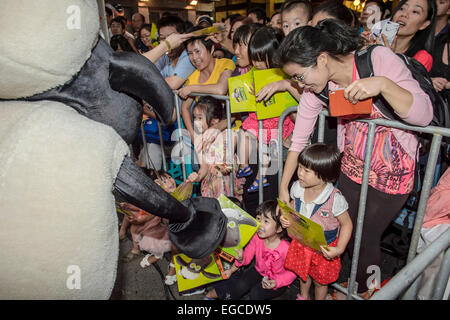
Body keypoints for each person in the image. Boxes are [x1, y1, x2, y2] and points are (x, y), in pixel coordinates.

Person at [277, 19, 433, 297]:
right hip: (351, 167)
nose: (299, 85)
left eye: (300, 76)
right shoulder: (318, 89)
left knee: (367, 233)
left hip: (393, 172)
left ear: (322, 59)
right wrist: (283, 189)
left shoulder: (377, 60)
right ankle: (357, 284)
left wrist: (382, 85)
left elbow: (423, 115)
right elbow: (298, 142)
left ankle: (367, 289)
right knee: (347, 229)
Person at [280, 143, 353, 300]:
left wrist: (339, 249)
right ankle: (303, 296)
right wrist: (285, 219)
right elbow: (292, 208)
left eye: (306, 170)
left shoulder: (335, 199)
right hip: (302, 243)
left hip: (324, 248)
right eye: (299, 167)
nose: (299, 173)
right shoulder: (297, 188)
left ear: (324, 175)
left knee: (321, 281)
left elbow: (347, 224)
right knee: (303, 274)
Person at [237, 27, 298, 193]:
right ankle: (246, 168)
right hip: (259, 123)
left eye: (261, 59)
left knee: (265, 150)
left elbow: (299, 105)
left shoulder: (288, 75)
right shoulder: (253, 73)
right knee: (243, 135)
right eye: (254, 58)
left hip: (278, 127)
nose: (257, 64)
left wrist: (284, 86)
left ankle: (260, 177)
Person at [204, 200, 297, 300]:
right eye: (258, 219)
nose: (260, 224)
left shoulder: (286, 247)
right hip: (258, 271)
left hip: (277, 279)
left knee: (256, 293)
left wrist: (276, 282)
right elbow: (247, 256)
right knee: (240, 285)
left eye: (266, 221)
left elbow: (293, 272)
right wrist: (241, 258)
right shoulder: (257, 238)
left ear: (279, 228)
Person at [118, 169, 178, 285]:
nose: (170, 182)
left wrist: (190, 181)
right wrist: (129, 207)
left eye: (169, 178)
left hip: (178, 233)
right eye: (164, 181)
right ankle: (157, 255)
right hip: (162, 231)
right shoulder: (157, 199)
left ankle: (173, 268)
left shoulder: (180, 195)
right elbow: (147, 214)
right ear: (157, 184)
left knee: (177, 244)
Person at [177, 27, 235, 142]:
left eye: (198, 51)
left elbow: (221, 90)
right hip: (205, 132)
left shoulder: (225, 64)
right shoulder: (193, 77)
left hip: (229, 129)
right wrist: (193, 135)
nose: (194, 57)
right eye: (190, 53)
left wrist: (192, 88)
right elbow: (185, 107)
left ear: (212, 49)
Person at [187, 96, 244, 200]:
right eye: (194, 117)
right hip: (210, 188)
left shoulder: (228, 134)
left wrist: (226, 164)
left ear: (214, 120)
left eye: (200, 118)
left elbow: (228, 158)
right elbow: (204, 167)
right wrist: (197, 176)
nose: (195, 122)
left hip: (228, 185)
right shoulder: (199, 141)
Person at [386, 0, 437, 71]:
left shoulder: (422, 58)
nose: (404, 14)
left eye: (415, 11)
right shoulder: (375, 42)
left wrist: (387, 56)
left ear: (424, 24)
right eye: (402, 8)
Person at [429, 0, 449, 96]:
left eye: (441, 2)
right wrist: (427, 80)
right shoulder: (419, 31)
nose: (435, 4)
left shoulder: (446, 38)